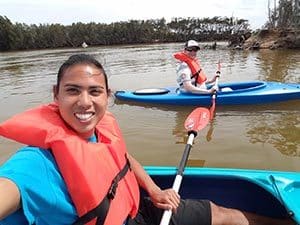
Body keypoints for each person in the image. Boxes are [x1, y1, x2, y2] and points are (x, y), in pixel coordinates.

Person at [0, 54, 295, 225]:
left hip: (139, 208)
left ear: (108, 95)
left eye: (94, 91)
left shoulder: (99, 131)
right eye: (73, 91)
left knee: (220, 213)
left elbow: (123, 159)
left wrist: (154, 190)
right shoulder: (35, 163)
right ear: (56, 95)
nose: (85, 103)